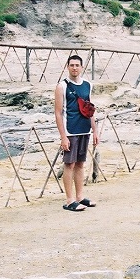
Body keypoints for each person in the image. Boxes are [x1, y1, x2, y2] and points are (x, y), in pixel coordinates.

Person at [54, 54, 99, 211]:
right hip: (70, 130)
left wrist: (95, 130)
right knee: (69, 164)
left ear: (81, 67)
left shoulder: (88, 85)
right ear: (67, 66)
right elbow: (58, 113)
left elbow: (90, 109)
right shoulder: (62, 86)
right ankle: (69, 200)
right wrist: (63, 136)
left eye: (77, 65)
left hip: (84, 129)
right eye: (71, 65)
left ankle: (80, 197)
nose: (74, 68)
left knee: (80, 163)